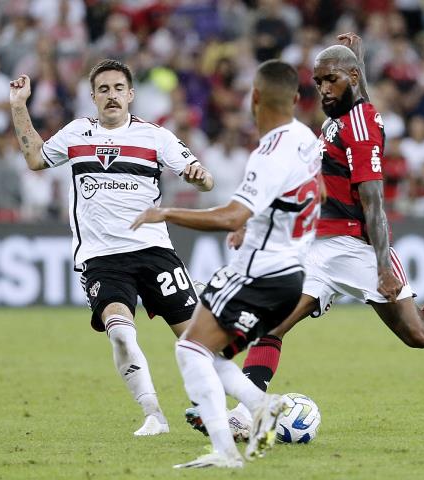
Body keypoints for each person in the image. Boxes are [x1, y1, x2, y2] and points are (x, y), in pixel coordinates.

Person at [185, 33, 424, 439]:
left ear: (349, 78)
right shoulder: (343, 112)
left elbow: (375, 204)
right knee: (271, 325)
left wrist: (383, 266)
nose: (323, 89)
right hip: (313, 246)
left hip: (355, 248)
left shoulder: (361, 131)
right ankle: (244, 413)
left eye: (330, 80)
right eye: (318, 82)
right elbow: (351, 101)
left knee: (420, 334)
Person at [131, 59, 322, 468]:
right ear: (295, 98)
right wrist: (254, 223)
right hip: (291, 274)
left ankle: (225, 449)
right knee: (208, 353)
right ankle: (261, 406)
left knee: (190, 350)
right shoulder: (306, 138)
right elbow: (299, 195)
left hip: (258, 272)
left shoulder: (268, 152)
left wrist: (166, 213)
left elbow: (231, 215)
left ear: (254, 97)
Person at [9, 59, 214, 436]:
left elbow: (203, 179)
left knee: (197, 340)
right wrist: (19, 105)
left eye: (119, 88)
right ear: (93, 97)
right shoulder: (76, 133)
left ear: (131, 94)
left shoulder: (156, 137)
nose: (112, 96)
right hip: (102, 259)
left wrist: (200, 177)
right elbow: (36, 158)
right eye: (103, 89)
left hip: (154, 251)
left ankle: (231, 409)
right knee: (120, 332)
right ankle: (154, 414)